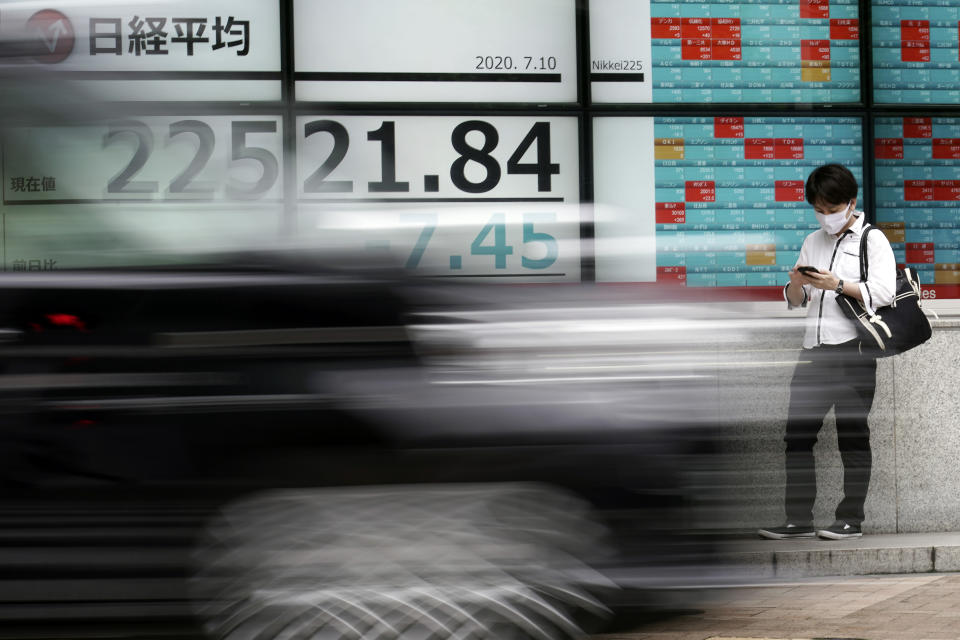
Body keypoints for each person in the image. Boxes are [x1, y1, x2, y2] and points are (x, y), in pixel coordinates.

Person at [758, 164, 896, 541]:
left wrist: (839, 284)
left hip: (853, 353)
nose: (826, 216)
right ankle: (797, 519)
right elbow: (797, 302)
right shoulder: (812, 240)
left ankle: (851, 519)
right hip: (813, 354)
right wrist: (795, 284)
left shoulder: (872, 241)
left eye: (832, 208)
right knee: (797, 437)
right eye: (819, 208)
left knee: (852, 437)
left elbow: (883, 292)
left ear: (851, 203)